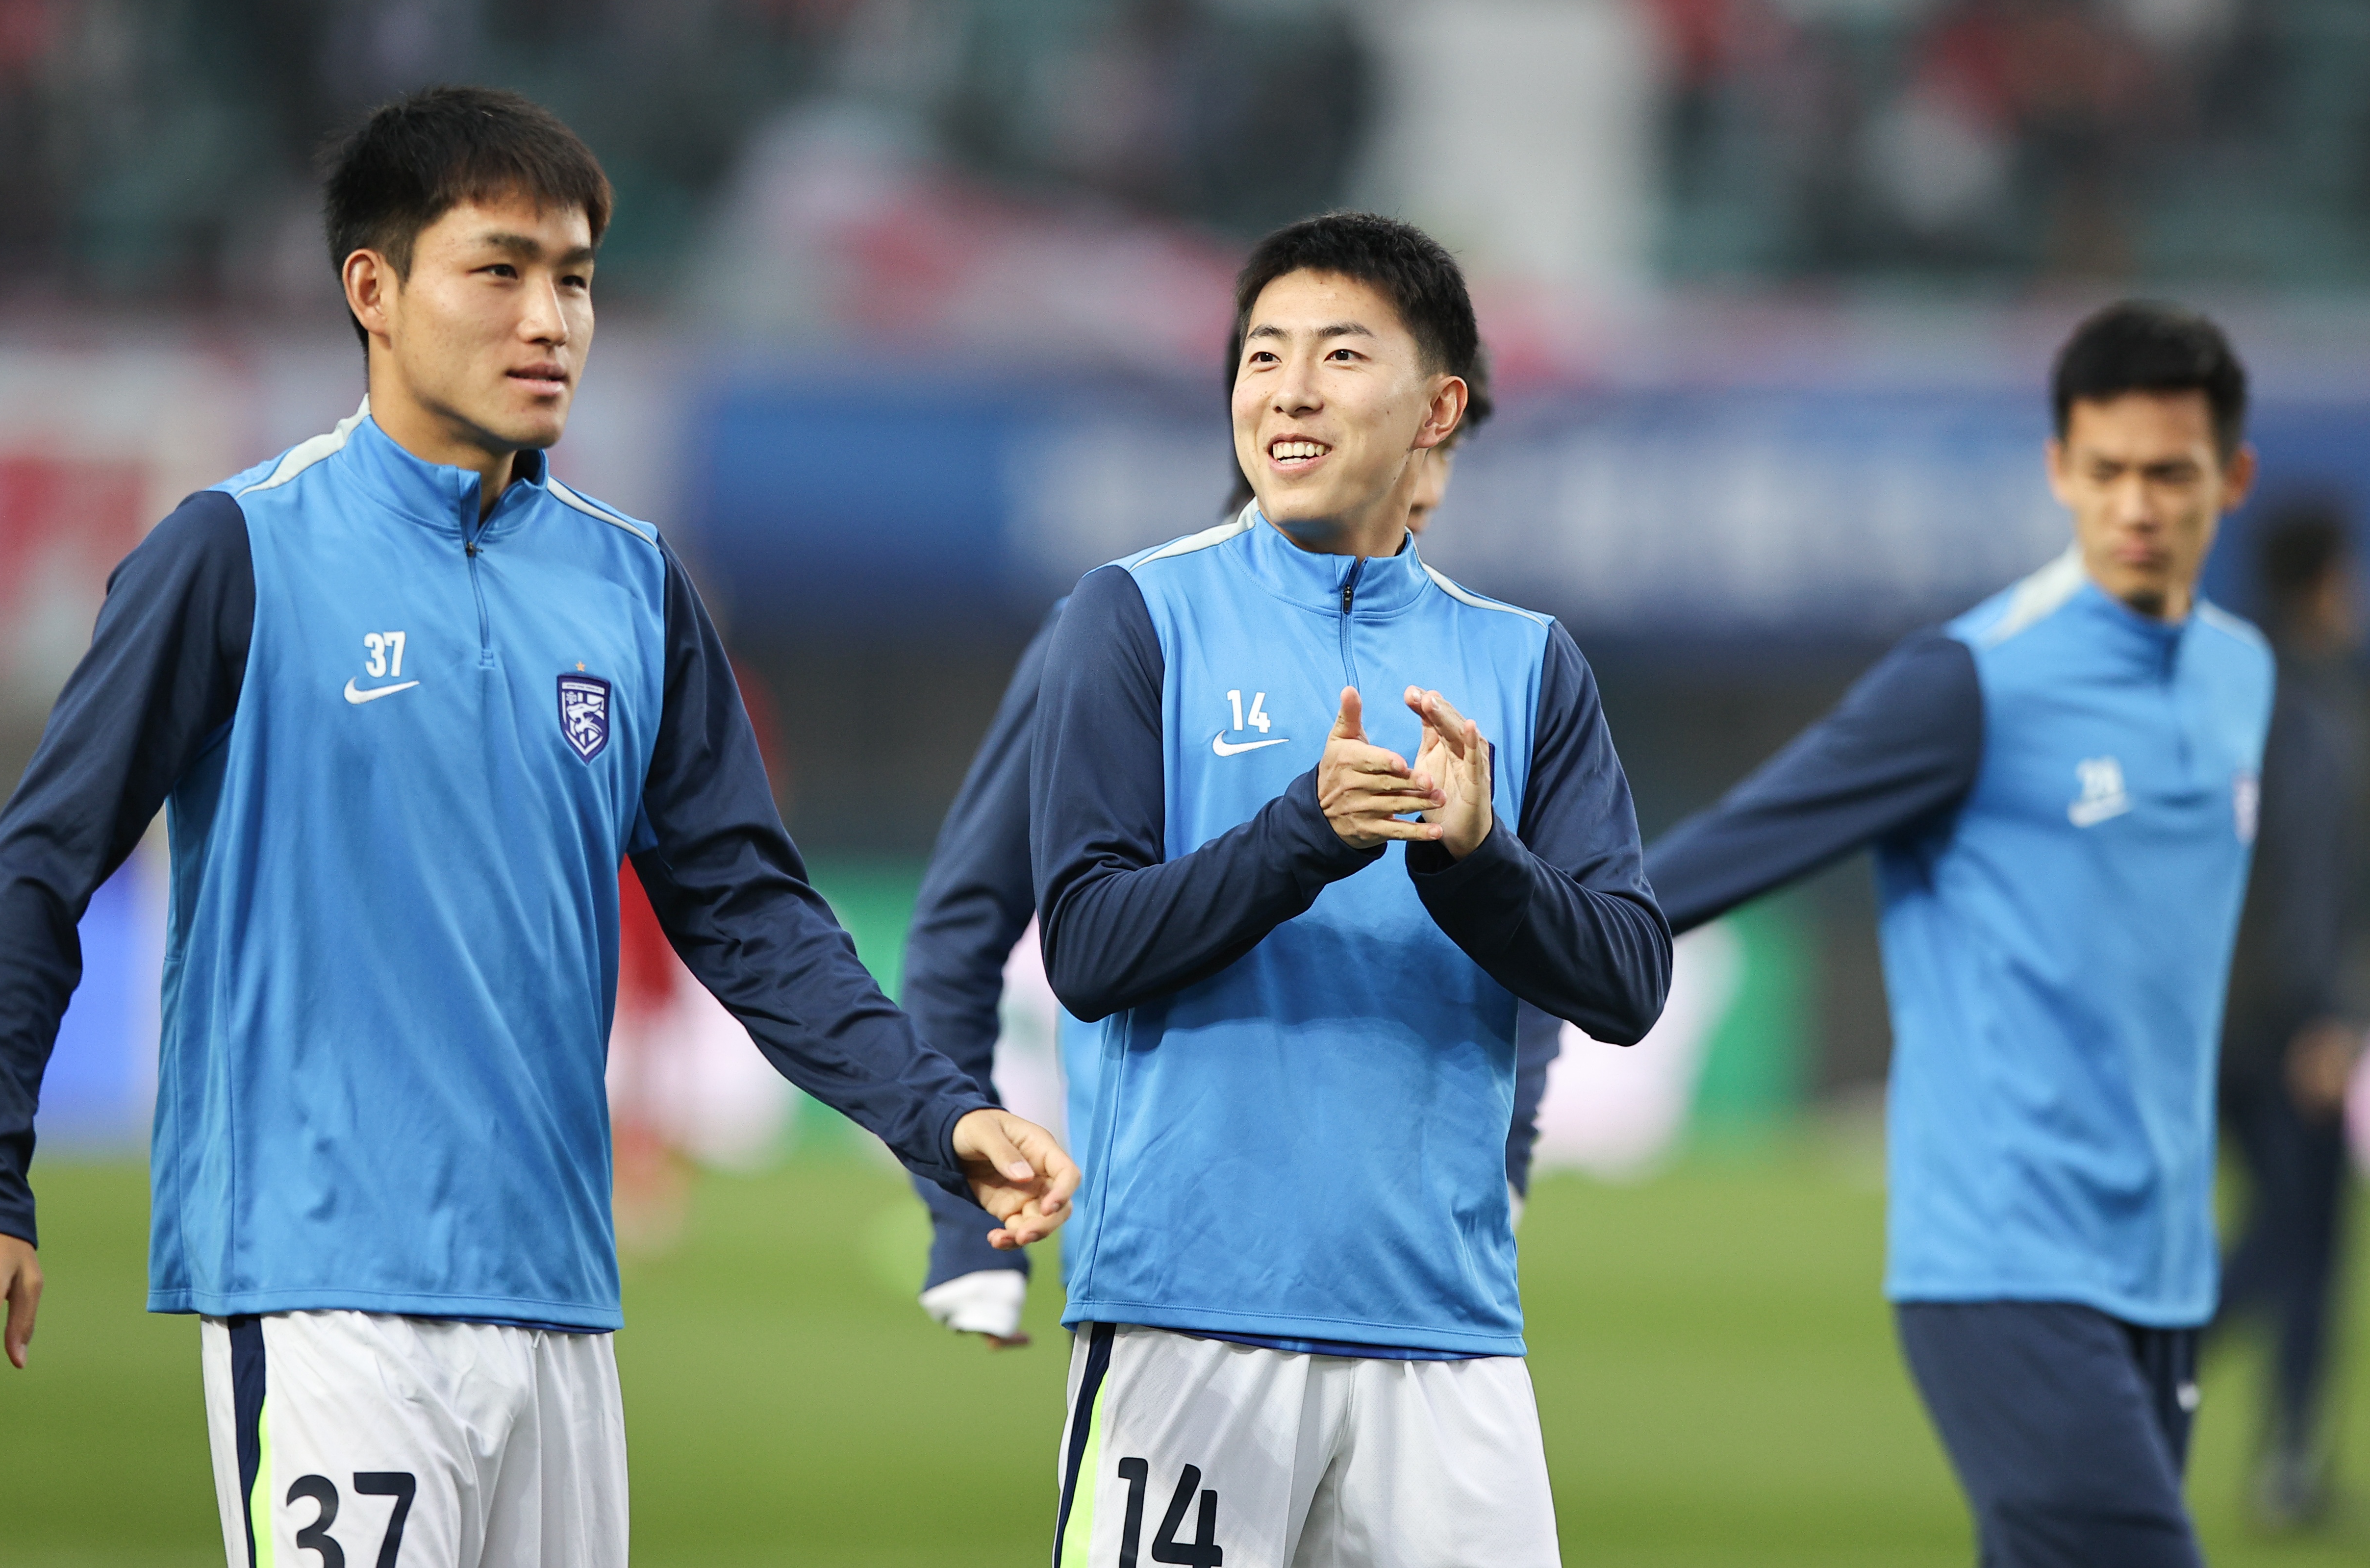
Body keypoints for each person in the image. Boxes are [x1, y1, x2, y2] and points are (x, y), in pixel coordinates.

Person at [0, 86, 1075, 1568]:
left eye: (574, 279)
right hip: (323, 1286)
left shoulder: (634, 586)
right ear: (373, 290)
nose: (549, 319)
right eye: (499, 270)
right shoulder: (237, 552)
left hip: (559, 1304)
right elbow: (37, 870)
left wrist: (940, 1114)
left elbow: (752, 916)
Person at [1031, 212, 1669, 1566]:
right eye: (1262, 355)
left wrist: (1476, 862)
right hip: (1187, 1321)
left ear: (1438, 410)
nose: (1289, 391)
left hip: (1450, 1342)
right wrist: (1301, 835)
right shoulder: (1131, 615)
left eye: (1338, 354)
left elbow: (1628, 980)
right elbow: (1084, 946)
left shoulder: (1529, 662)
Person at [1646, 300, 2267, 1567]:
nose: (2136, 506)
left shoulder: (2241, 675)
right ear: (2057, 469)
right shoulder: (1971, 680)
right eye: (2105, 471)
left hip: (2165, 1265)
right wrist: (1493, 916)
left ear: (2233, 478)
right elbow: (1710, 858)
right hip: (2004, 1258)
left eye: (2169, 474)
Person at [903, 354, 1569, 1349]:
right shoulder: (1123, 631)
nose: (1426, 491)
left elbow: (1526, 937)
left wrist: (1507, 1156)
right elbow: (964, 923)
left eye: (1443, 456)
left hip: (1414, 1273)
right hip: (1175, 1259)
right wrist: (967, 1222)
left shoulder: (1475, 660)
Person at [2212, 505, 2367, 1528]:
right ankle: (2144, 1366)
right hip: (2285, 1023)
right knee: (2296, 1242)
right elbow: (2311, 878)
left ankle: (2291, 1462)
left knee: (2296, 1236)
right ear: (2328, 580)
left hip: (2223, 1015)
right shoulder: (2314, 706)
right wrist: (2329, 1014)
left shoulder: (2230, 687)